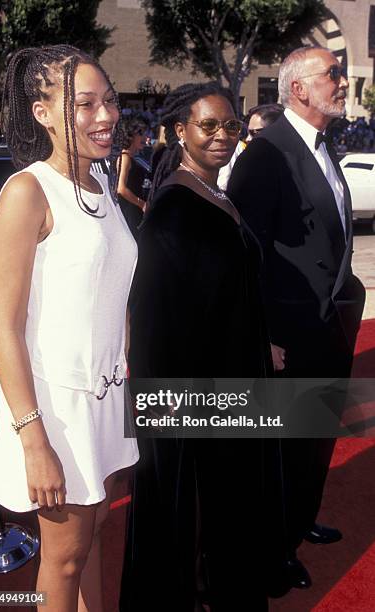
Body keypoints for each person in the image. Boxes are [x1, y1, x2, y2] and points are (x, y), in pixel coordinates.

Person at [0, 45, 139, 612]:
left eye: (109, 102)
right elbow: (6, 326)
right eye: (85, 105)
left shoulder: (100, 184)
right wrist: (33, 440)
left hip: (105, 399)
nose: (106, 116)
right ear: (43, 112)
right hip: (53, 410)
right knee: (64, 558)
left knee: (93, 540)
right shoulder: (28, 192)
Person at [120, 82, 274, 612]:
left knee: (231, 506)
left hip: (233, 381)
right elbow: (157, 322)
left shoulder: (215, 193)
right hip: (199, 394)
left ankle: (223, 587)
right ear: (179, 131)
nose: (222, 136)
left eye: (231, 126)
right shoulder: (173, 210)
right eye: (208, 125)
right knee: (196, 509)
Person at [228, 46, 366, 589]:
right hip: (288, 336)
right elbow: (246, 255)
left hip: (329, 326)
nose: (342, 81)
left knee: (316, 441)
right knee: (285, 451)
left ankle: (301, 521)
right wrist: (260, 335)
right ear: (299, 88)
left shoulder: (322, 145)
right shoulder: (268, 154)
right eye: (332, 74)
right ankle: (273, 548)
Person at [217, 103, 283, 190]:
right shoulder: (244, 163)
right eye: (248, 133)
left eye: (254, 133)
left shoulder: (298, 165)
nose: (247, 139)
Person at [117, 118, 147, 238]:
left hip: (132, 210)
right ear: (131, 136)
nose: (144, 137)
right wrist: (142, 204)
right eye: (140, 133)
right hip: (128, 212)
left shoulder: (129, 158)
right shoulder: (125, 158)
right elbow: (121, 188)